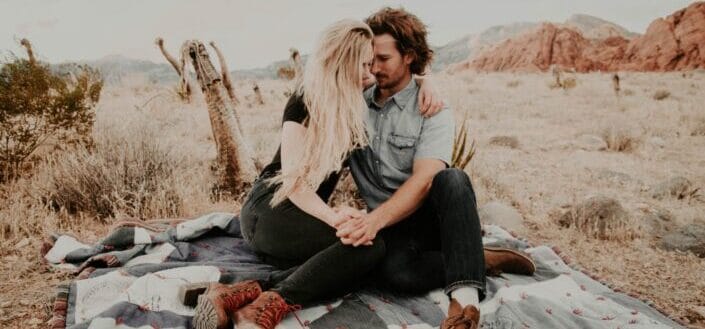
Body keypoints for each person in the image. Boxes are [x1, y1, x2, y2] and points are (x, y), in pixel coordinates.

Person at [191, 18, 444, 329]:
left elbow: (402, 70)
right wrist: (333, 217)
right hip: (271, 209)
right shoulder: (304, 101)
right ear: (342, 62)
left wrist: (425, 80)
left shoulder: (354, 102)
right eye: (363, 65)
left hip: (306, 216)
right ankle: (266, 304)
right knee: (368, 250)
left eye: (371, 64)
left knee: (354, 264)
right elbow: (295, 185)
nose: (370, 74)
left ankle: (236, 291)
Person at [335, 8, 536, 329]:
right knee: (396, 276)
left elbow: (426, 179)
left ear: (409, 57)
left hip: (429, 218)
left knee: (452, 178)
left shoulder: (433, 108)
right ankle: (476, 259)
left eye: (383, 59)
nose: (373, 67)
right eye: (368, 59)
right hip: (392, 224)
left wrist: (373, 221)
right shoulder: (352, 102)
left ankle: (466, 302)